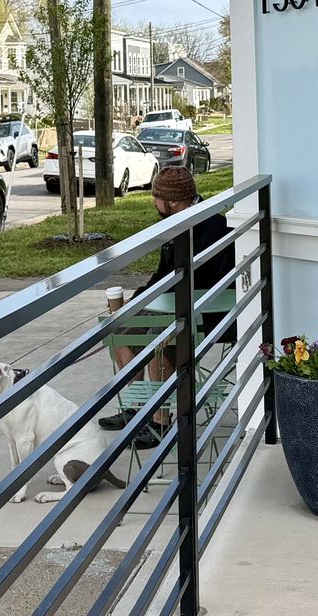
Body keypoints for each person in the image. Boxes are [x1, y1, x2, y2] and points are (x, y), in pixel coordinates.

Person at [98, 166, 236, 448]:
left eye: (156, 198)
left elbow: (193, 284)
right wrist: (136, 301)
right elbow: (164, 277)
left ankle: (160, 423)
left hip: (208, 313)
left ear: (170, 201)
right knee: (121, 330)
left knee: (154, 338)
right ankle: (137, 409)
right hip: (178, 304)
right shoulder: (180, 222)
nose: (153, 203)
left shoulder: (207, 228)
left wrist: (148, 302)